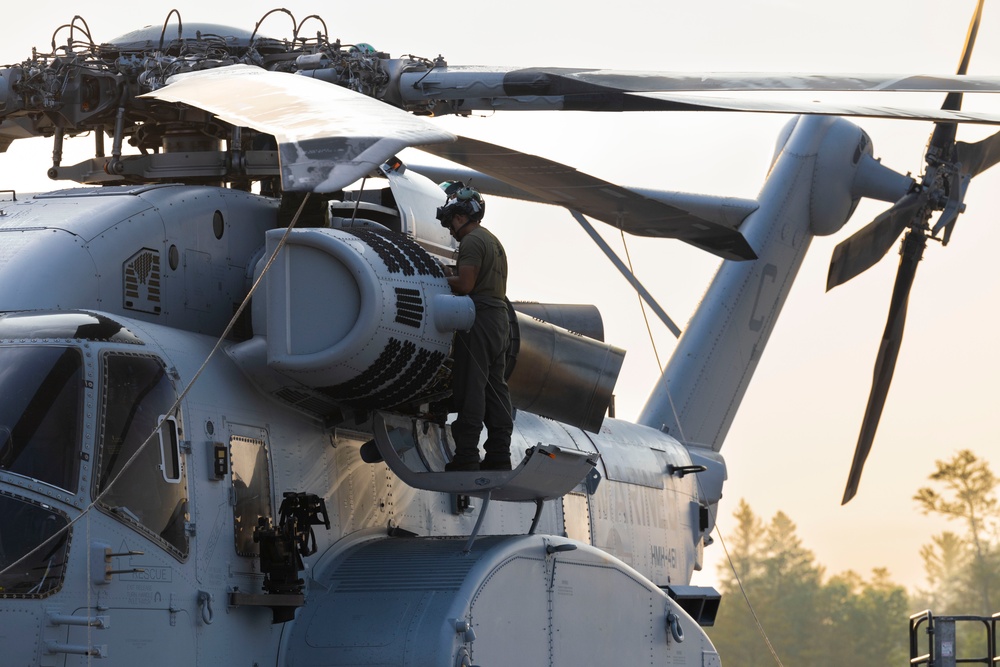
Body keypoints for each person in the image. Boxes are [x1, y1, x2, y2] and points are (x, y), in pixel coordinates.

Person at [436, 183, 513, 472]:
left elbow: (466, 285)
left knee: (471, 386)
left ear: (459, 217)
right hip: (500, 319)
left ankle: (466, 455)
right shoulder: (492, 240)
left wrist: (444, 275)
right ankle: (499, 454)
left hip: (479, 318)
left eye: (450, 222)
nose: (451, 231)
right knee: (496, 387)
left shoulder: (471, 242)